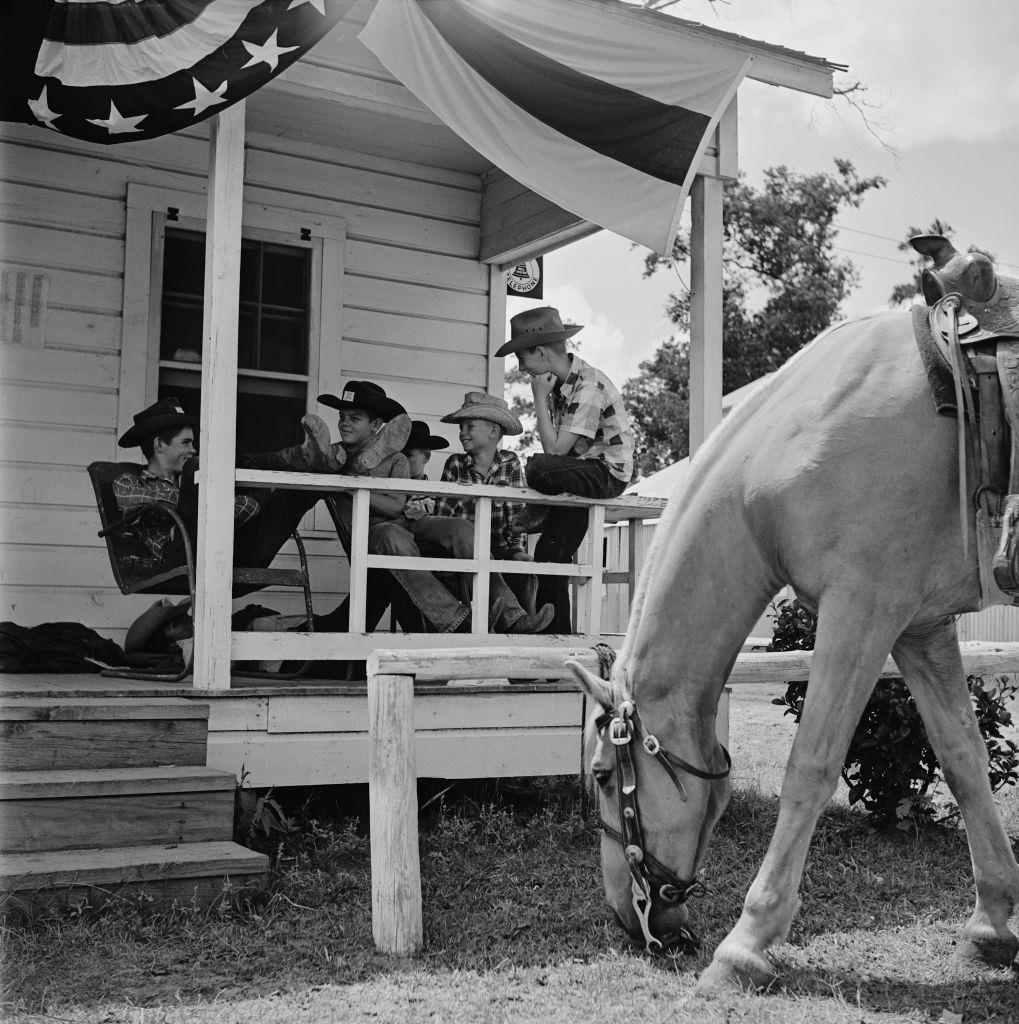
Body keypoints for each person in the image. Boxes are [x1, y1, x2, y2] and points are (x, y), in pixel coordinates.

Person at [495, 306, 634, 633]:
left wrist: (539, 398)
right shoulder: (561, 387)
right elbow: (559, 451)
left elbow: (555, 451)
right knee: (549, 554)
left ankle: (538, 508)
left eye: (523, 358)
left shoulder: (587, 384)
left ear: (541, 352)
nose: (521, 367)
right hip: (578, 473)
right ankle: (557, 639)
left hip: (605, 474)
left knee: (539, 467)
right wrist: (546, 397)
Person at [112, 397, 341, 578]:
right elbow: (174, 509)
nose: (193, 448)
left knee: (291, 494)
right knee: (201, 467)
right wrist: (229, 503)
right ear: (159, 445)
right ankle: (298, 457)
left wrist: (224, 506)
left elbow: (224, 512)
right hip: (181, 557)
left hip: (228, 550)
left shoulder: (193, 480)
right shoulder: (129, 482)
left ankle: (321, 461)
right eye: (186, 443)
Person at [403, 392, 553, 634]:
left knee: (525, 571)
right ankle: (513, 620)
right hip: (465, 550)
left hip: (501, 545)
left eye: (469, 426)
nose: (462, 432)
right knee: (475, 556)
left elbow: (517, 515)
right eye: (461, 427)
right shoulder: (455, 464)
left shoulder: (510, 462)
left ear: (494, 432)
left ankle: (524, 628)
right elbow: (444, 516)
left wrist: (517, 549)